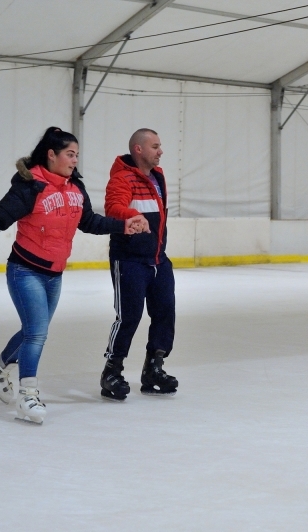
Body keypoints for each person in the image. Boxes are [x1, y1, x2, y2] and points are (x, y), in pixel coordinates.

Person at [0, 127, 148, 424]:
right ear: (51, 155)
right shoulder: (31, 186)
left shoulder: (74, 188)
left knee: (34, 329)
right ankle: (27, 395)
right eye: (70, 154)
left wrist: (123, 226)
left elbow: (90, 222)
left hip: (54, 275)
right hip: (24, 270)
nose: (74, 161)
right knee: (37, 333)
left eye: (77, 155)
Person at [100, 128, 178, 401]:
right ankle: (112, 371)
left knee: (165, 313)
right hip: (130, 259)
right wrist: (133, 215)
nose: (161, 151)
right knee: (129, 317)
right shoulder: (121, 179)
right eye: (155, 146)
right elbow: (113, 208)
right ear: (139, 149)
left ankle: (154, 369)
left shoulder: (157, 177)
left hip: (158, 258)